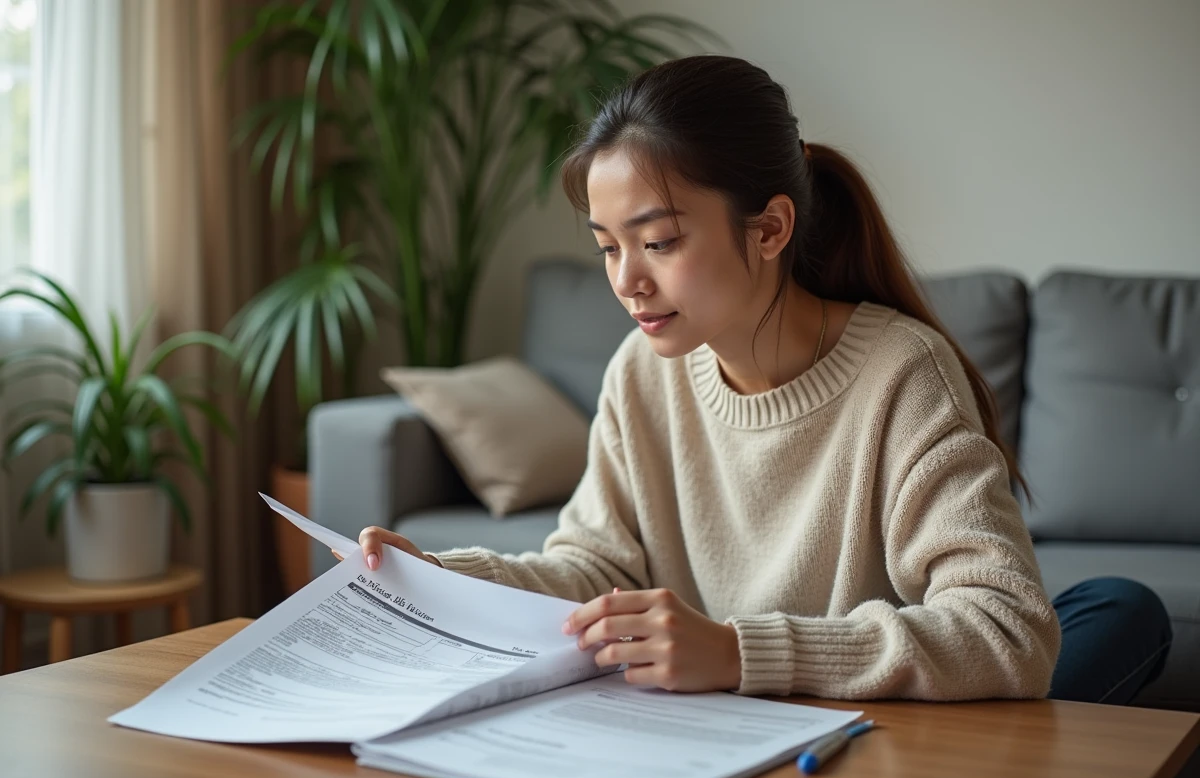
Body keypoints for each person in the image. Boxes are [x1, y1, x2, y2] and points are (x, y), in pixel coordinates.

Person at [339, 55, 1171, 704]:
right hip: (722, 724)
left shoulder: (902, 373)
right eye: (606, 245)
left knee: (1120, 608)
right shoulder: (641, 373)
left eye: (658, 241)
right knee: (1113, 609)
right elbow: (595, 570)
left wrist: (739, 652)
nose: (626, 280)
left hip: (866, 724)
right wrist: (448, 578)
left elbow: (1008, 631)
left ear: (770, 227)